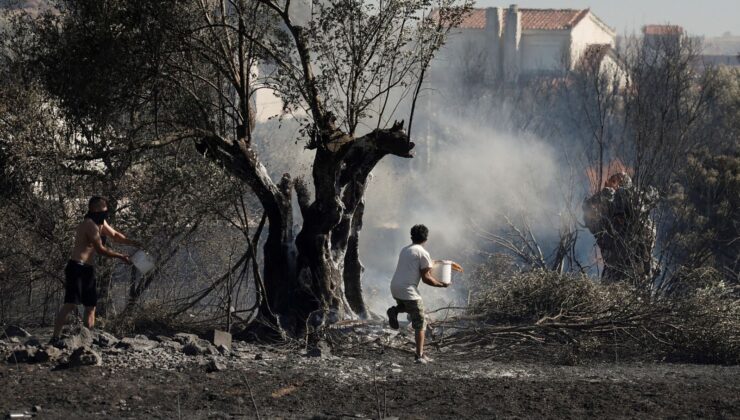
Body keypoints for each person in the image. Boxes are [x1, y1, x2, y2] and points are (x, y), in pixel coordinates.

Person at [50, 196, 139, 343]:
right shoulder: (89, 224)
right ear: (95, 209)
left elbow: (116, 235)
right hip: (76, 267)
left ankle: (88, 339)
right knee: (71, 304)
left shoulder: (101, 223)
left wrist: (134, 243)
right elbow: (100, 249)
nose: (106, 211)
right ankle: (55, 337)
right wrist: (120, 256)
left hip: (88, 269)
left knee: (91, 306)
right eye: (104, 208)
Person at [387, 224, 448, 364]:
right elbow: (426, 278)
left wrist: (431, 264)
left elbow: (415, 266)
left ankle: (395, 310)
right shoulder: (423, 252)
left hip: (395, 287)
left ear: (411, 236)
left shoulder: (405, 249)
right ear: (426, 238)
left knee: (410, 307)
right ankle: (419, 356)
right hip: (408, 290)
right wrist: (442, 284)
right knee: (420, 321)